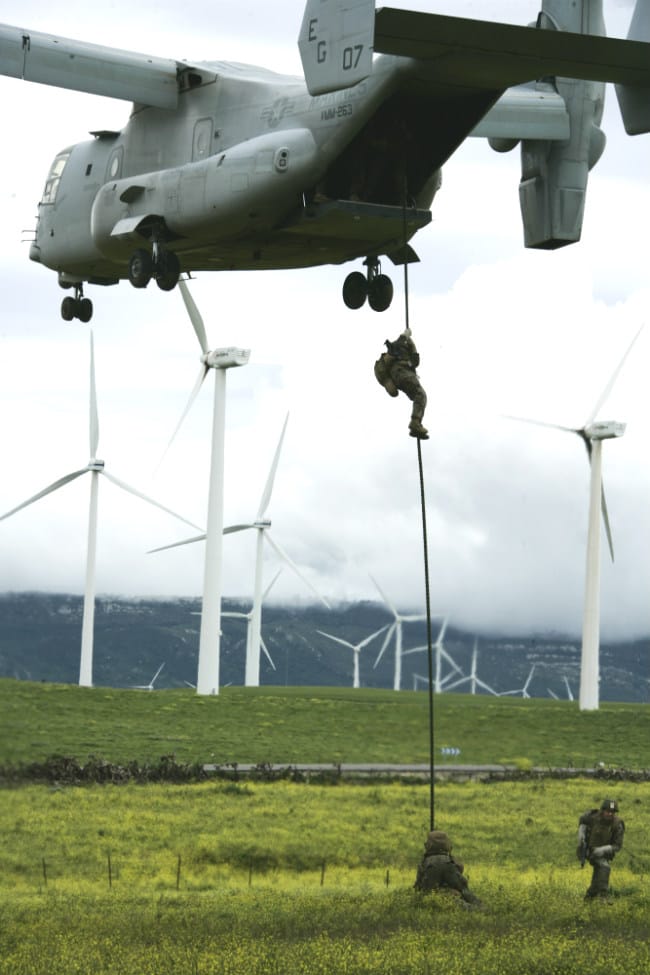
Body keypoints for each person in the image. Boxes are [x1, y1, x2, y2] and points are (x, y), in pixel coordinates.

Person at [374, 327, 428, 439]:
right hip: (401, 372)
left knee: (419, 396)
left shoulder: (406, 350)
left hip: (403, 374)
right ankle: (415, 423)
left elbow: (415, 362)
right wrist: (404, 335)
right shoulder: (398, 346)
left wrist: (413, 348)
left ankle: (415, 425)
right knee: (420, 394)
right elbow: (398, 344)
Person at [414, 829, 480, 905]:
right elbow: (460, 883)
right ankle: (477, 906)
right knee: (461, 892)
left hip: (430, 895)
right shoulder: (448, 861)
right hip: (447, 869)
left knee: (435, 894)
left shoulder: (425, 862)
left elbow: (419, 886)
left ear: (428, 845)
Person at [577, 798, 625, 900]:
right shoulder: (592, 817)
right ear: (602, 810)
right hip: (590, 851)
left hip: (605, 852)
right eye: (608, 811)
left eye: (613, 812)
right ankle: (603, 895)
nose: (610, 814)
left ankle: (589, 897)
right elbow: (582, 823)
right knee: (604, 867)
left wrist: (603, 850)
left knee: (599, 872)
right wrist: (581, 838)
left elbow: (617, 846)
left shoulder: (618, 824)